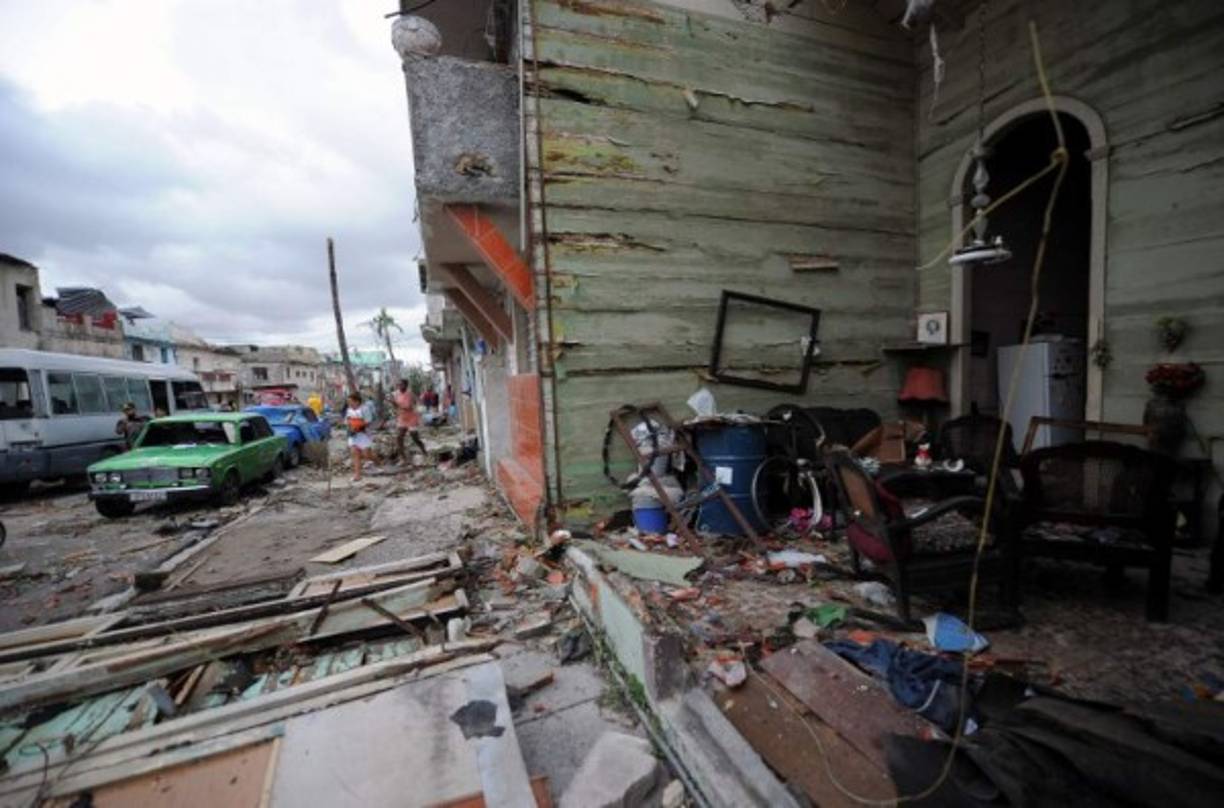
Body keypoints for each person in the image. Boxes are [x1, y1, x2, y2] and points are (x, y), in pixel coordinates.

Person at [393, 380, 428, 462]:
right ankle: (403, 458)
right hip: (402, 418)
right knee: (399, 437)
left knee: (414, 437)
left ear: (406, 385)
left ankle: (424, 450)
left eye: (401, 385)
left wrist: (419, 408)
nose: (400, 386)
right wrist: (393, 404)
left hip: (411, 417)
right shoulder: (396, 394)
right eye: (399, 385)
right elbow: (396, 406)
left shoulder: (410, 394)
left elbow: (408, 407)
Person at [345, 392, 376, 481]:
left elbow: (368, 421)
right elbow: (347, 420)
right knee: (355, 453)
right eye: (348, 402)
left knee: (366, 454)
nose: (349, 403)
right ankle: (357, 475)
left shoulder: (365, 409)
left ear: (357, 401)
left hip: (364, 434)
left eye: (351, 401)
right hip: (353, 435)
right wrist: (350, 427)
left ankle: (376, 462)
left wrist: (358, 427)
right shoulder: (349, 410)